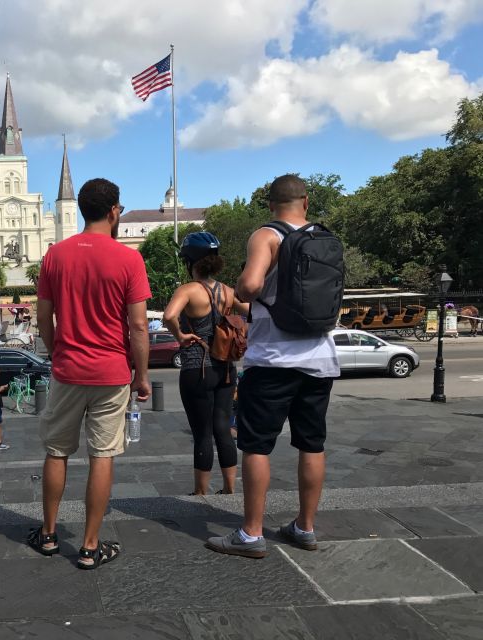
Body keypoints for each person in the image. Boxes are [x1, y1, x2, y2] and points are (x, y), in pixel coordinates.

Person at [206, 174, 339, 559]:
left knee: (257, 446)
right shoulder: (323, 236)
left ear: (270, 205)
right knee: (312, 444)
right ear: (306, 202)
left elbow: (248, 286)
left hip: (274, 360)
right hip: (319, 357)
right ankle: (305, 527)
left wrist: (247, 290)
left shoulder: (267, 234)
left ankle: (251, 534)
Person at [28, 177, 151, 570]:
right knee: (103, 455)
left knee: (56, 451)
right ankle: (88, 546)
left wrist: (55, 350)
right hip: (112, 372)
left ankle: (48, 535)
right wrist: (142, 375)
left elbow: (42, 315)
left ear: (82, 209)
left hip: (67, 370)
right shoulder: (129, 259)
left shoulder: (55, 256)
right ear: (115, 211)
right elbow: (137, 327)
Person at [163, 232, 248, 495]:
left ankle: (200, 491)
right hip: (225, 368)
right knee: (223, 427)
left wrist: (180, 335)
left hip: (196, 367)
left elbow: (168, 316)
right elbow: (253, 312)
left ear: (190, 262)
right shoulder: (228, 291)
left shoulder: (188, 290)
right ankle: (229, 488)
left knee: (202, 432)